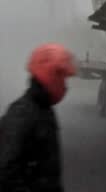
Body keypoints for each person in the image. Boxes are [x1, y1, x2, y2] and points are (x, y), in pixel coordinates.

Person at [0, 44, 76, 192]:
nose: (64, 85)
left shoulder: (43, 110)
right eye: (60, 76)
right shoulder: (22, 114)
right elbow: (6, 173)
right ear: (48, 75)